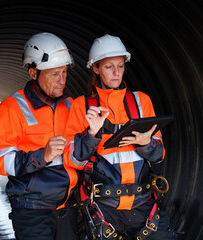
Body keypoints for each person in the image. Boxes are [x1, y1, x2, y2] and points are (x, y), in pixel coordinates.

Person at [63, 34, 177, 239]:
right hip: (104, 210)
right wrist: (91, 134)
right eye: (109, 67)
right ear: (96, 68)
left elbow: (159, 155)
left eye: (121, 65)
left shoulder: (141, 101)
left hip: (143, 206)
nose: (117, 73)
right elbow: (73, 161)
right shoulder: (82, 106)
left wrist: (146, 144)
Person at [0, 32, 79, 240]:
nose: (62, 80)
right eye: (54, 74)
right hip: (32, 210)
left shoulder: (69, 105)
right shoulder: (11, 108)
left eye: (64, 72)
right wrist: (42, 156)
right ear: (33, 73)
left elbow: (78, 153)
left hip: (66, 206)